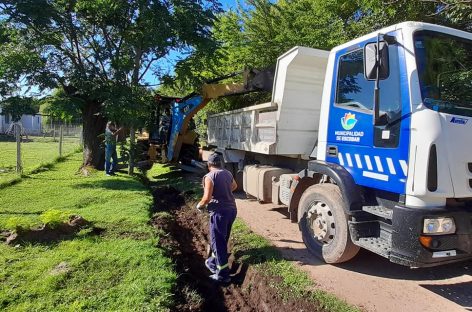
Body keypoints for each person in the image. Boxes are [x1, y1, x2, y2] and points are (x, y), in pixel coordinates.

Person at [197, 153, 238, 283]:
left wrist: (200, 205)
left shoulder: (209, 176)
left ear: (209, 165)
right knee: (222, 238)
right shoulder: (227, 173)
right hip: (231, 210)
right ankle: (213, 262)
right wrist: (224, 191)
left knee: (218, 241)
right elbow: (234, 186)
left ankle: (222, 275)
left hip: (219, 213)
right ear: (220, 164)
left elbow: (207, 198)